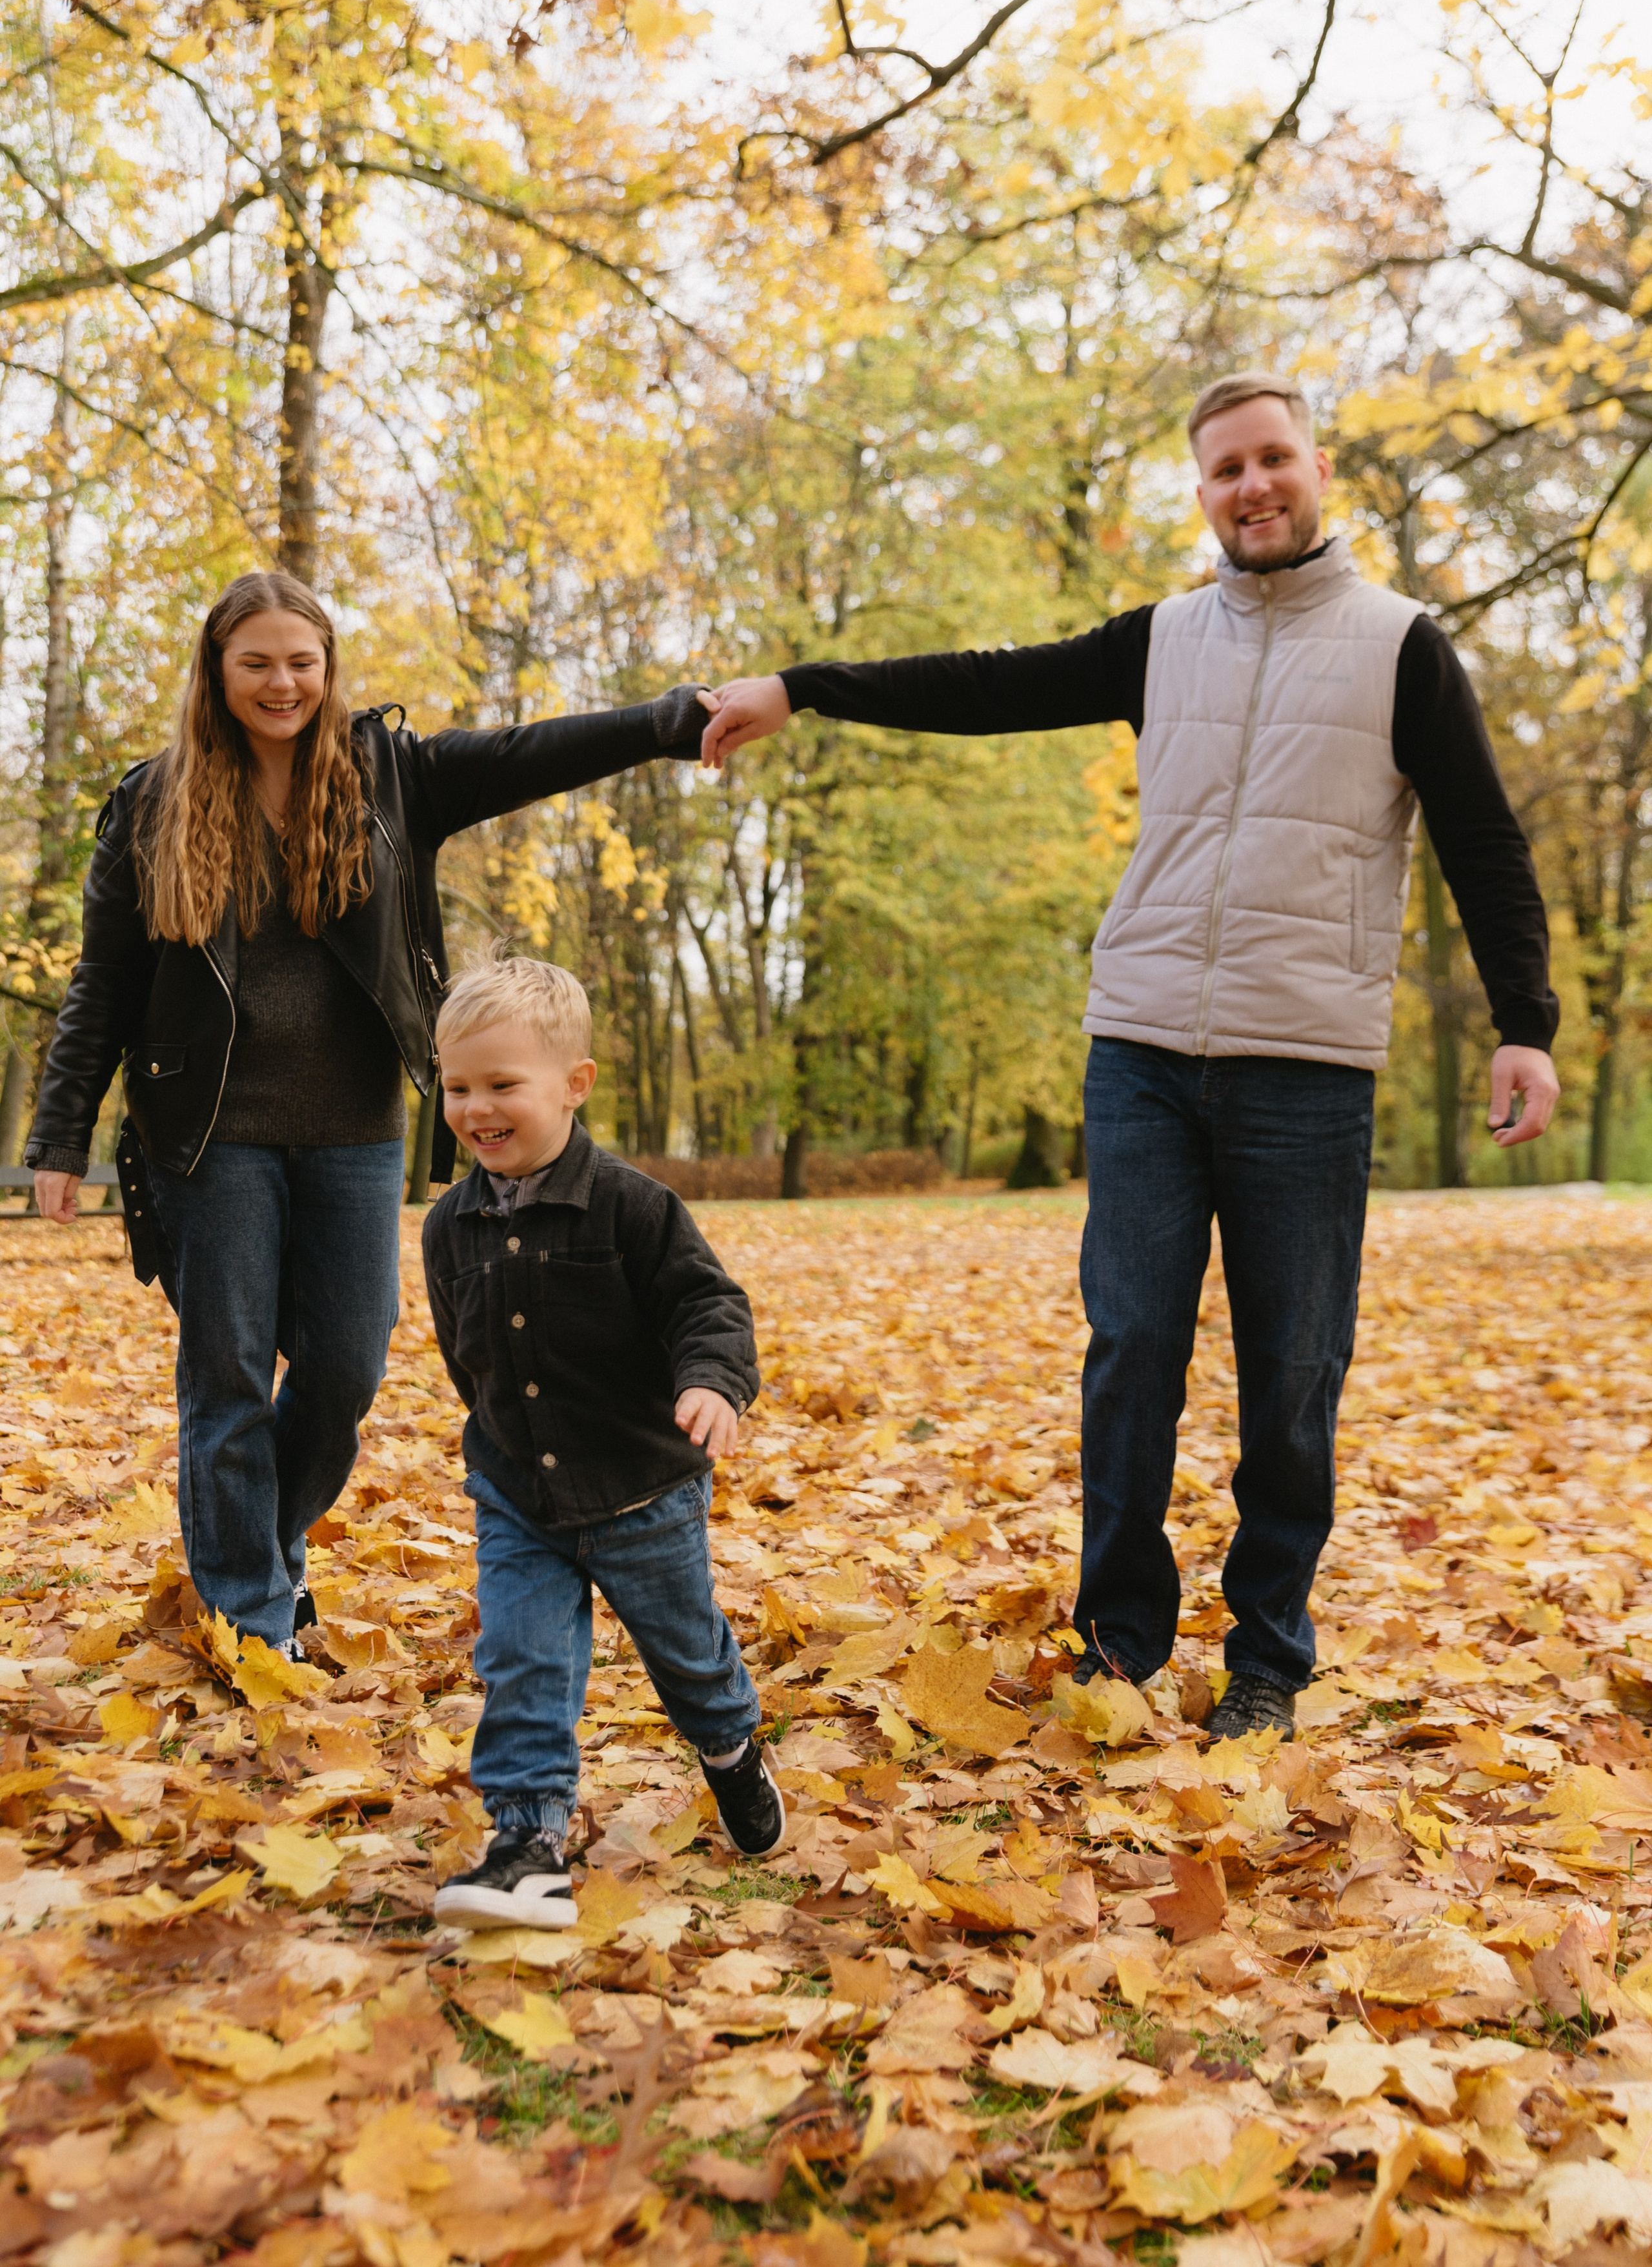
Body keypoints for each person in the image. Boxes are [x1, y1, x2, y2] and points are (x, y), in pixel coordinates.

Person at [699, 372, 1560, 1743]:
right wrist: (801, 689)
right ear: (1203, 491)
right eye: (1225, 468)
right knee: (1132, 1349)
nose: (1252, 486)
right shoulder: (1160, 640)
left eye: (1272, 458)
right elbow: (988, 685)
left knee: (1292, 1372)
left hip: (1305, 1062)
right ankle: (1121, 1642)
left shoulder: (1401, 646)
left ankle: (1268, 1656)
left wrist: (1525, 1025)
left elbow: (1482, 840)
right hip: (1144, 1050)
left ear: (1316, 468)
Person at [26, 567, 710, 1658]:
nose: (282, 683)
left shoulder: (391, 775)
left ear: (328, 667)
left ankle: (260, 1545)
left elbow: (533, 750)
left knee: (346, 1370)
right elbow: (101, 985)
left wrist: (675, 722)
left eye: (302, 662)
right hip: (208, 1132)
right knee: (228, 1375)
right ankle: (254, 1619)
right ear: (216, 671)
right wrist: (60, 1137)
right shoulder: (153, 801)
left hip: (356, 1128)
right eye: (257, 662)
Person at [423, 953, 781, 1927]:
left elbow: (707, 1305)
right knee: (523, 1662)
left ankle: (730, 1748)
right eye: (458, 1088)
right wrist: (499, 1442)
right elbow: (467, 1355)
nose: (476, 1109)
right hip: (520, 1498)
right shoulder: (449, 1226)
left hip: (641, 1491)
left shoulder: (633, 1206)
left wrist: (711, 1382)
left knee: (688, 1658)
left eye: (503, 1085)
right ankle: (526, 1845)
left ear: (574, 1084)